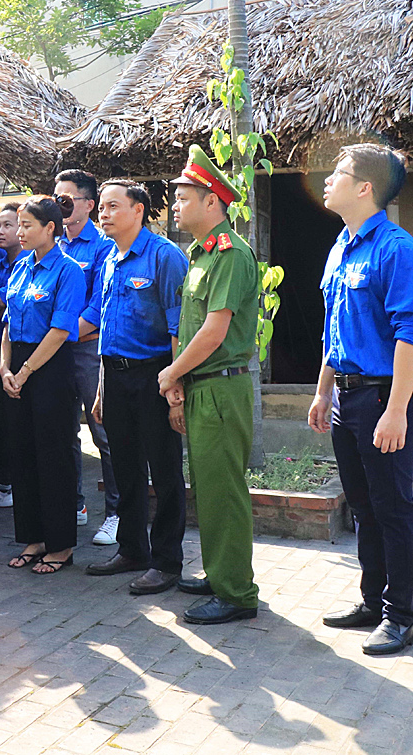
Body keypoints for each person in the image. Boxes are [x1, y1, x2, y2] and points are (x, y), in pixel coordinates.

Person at [309, 144, 413, 656]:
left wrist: (397, 409)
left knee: (392, 507)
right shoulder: (342, 245)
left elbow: (411, 335)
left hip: (384, 397)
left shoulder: (398, 250)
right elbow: (335, 328)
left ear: (365, 188)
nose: (327, 180)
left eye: (338, 172)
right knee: (362, 505)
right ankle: (372, 601)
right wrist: (323, 391)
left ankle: (401, 616)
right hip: (346, 396)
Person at [156, 145, 260, 624]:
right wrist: (179, 381)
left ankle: (236, 593)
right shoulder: (198, 255)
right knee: (208, 488)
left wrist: (171, 373)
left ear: (212, 201)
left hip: (221, 387)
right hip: (201, 385)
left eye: (183, 198)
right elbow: (189, 326)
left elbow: (215, 332)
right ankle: (221, 573)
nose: (175, 206)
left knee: (224, 493)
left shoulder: (231, 255)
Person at [81, 181, 189, 595]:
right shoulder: (110, 258)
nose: (104, 214)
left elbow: (178, 326)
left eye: (113, 206)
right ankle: (132, 550)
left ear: (139, 210)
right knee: (124, 468)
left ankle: (167, 562)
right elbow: (107, 327)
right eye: (102, 207)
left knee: (164, 470)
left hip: (154, 375)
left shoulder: (164, 256)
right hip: (115, 374)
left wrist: (174, 387)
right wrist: (102, 388)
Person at [0, 195, 86, 574]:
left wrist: (24, 372)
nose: (19, 232)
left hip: (50, 367)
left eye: (27, 225)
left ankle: (60, 545)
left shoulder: (69, 271)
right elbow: (7, 323)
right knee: (22, 454)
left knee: (54, 456)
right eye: (18, 225)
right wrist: (5, 368)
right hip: (16, 366)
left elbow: (60, 330)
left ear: (50, 228)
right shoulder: (20, 267)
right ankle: (33, 539)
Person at [54, 170, 116, 535]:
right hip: (57, 351)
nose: (59, 206)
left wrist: (59, 335)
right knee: (63, 433)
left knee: (103, 432)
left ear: (88, 204)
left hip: (88, 350)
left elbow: (98, 305)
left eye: (66, 200)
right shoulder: (51, 242)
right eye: (55, 199)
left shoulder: (103, 246)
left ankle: (116, 513)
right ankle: (73, 505)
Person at [0, 203, 21, 508]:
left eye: (8, 225)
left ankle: (11, 483)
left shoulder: (28, 265)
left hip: (19, 351)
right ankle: (3, 483)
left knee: (15, 419)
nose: (0, 231)